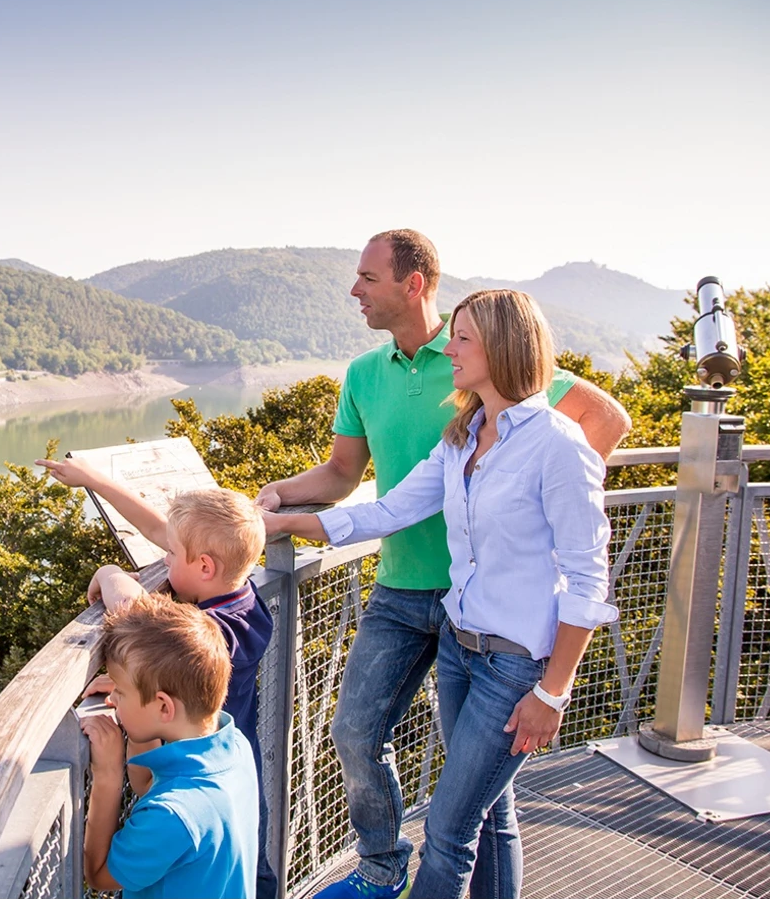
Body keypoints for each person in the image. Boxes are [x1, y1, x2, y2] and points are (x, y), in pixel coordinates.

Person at [254, 230, 629, 900]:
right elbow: (381, 508)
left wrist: (553, 689)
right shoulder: (460, 434)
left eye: (462, 342)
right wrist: (282, 517)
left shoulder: (554, 443)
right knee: (465, 801)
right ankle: (388, 869)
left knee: (455, 827)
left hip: (514, 656)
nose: (448, 352)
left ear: (501, 349)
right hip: (456, 634)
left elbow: (587, 573)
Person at [35, 455, 279, 896]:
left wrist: (110, 573)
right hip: (217, 765)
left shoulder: (216, 635)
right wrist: (93, 479)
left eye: (170, 555)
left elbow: (134, 613)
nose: (163, 560)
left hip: (195, 787)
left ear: (205, 567)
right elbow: (158, 531)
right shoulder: (244, 600)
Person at [80, 593, 260, 899]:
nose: (113, 700)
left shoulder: (172, 815)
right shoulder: (233, 747)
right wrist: (139, 695)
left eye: (120, 692)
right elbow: (145, 783)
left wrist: (108, 774)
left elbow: (98, 874)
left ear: (164, 707)